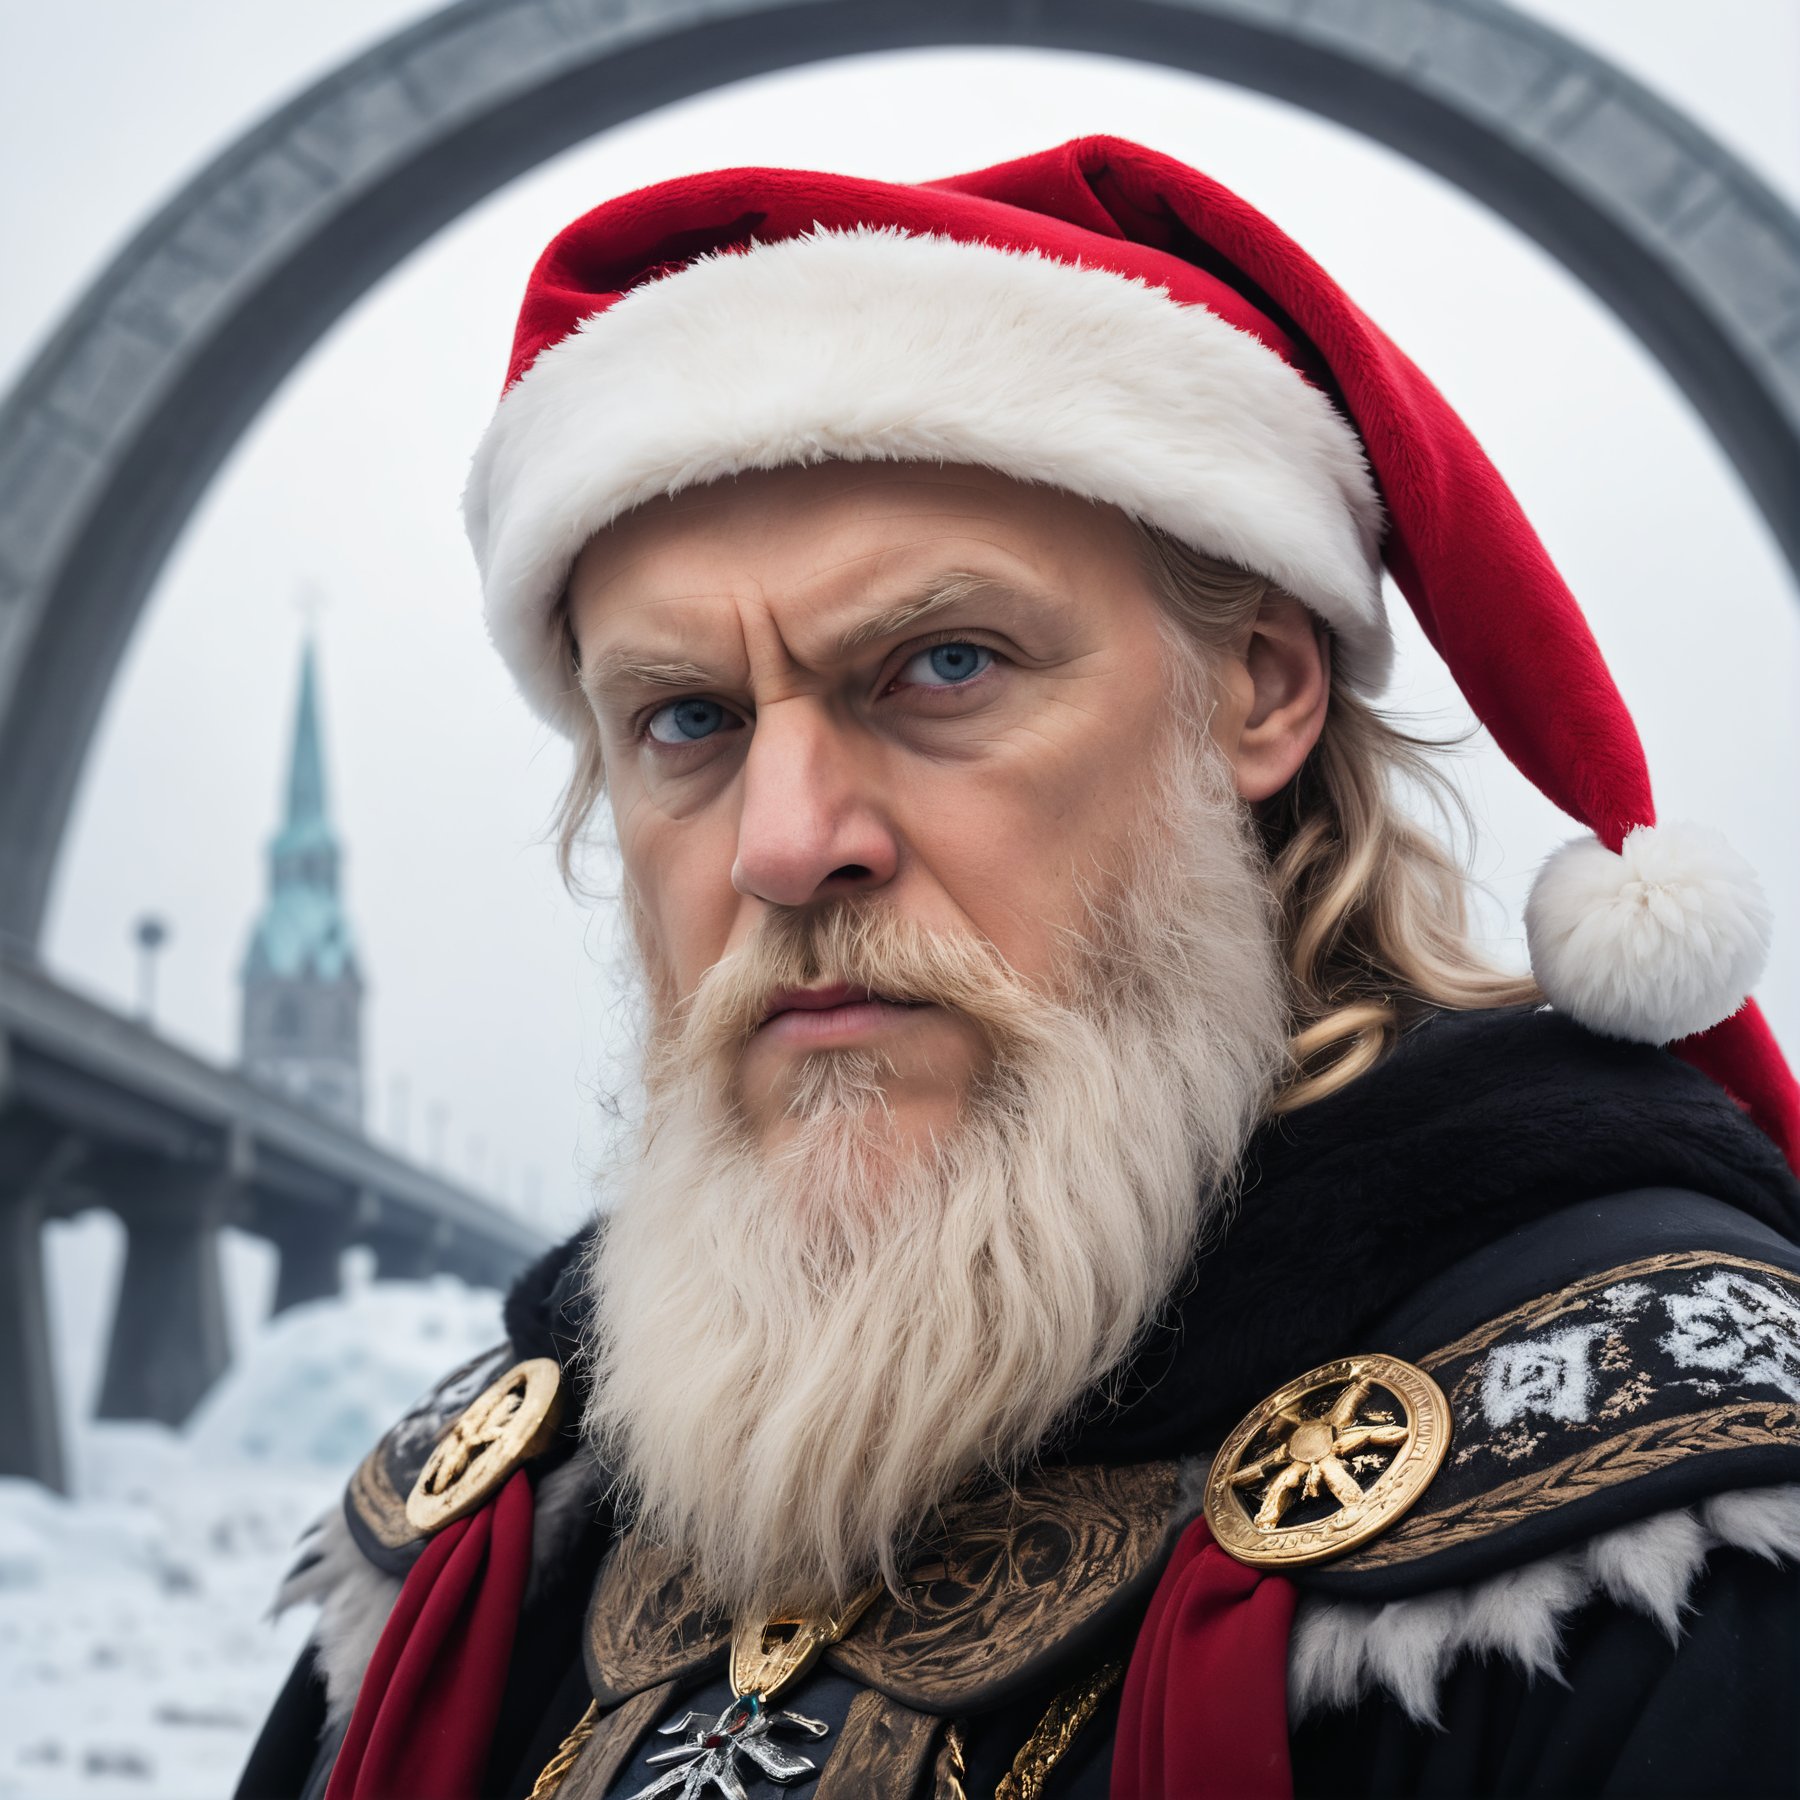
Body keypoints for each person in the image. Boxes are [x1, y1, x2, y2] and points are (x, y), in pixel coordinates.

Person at [237, 137, 1800, 1800]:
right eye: (684, 719)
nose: (784, 842)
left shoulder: (1668, 1519)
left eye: (943, 665)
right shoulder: (491, 1534)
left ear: (1259, 689)